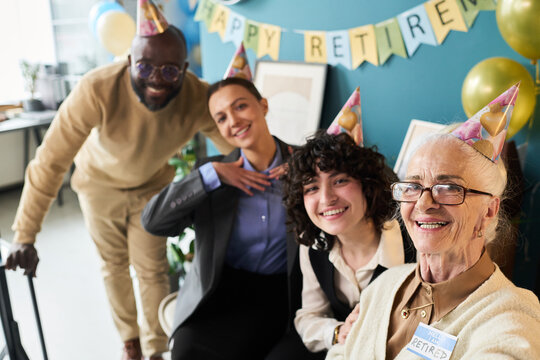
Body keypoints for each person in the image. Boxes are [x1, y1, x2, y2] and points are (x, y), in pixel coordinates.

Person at [4, 3, 233, 359]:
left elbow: (237, 145)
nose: (157, 79)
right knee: (113, 267)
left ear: (184, 70)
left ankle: (156, 349)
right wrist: (25, 235)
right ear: (129, 61)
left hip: (152, 188)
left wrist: (280, 173)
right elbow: (50, 160)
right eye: (144, 66)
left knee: (152, 270)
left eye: (170, 70)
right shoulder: (96, 88)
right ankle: (130, 342)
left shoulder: (196, 97)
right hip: (99, 188)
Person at [327, 86, 540, 359]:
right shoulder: (384, 285)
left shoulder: (511, 315)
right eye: (413, 186)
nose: (423, 204)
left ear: (488, 211)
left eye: (449, 187)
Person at [141, 76, 304, 360]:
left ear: (263, 106)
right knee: (188, 351)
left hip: (282, 296)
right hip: (219, 294)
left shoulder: (305, 164)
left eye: (240, 106)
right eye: (221, 118)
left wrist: (310, 177)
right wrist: (211, 176)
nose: (234, 121)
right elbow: (153, 222)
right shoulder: (210, 175)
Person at [281, 131, 416, 358]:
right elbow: (310, 315)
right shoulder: (314, 245)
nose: (326, 198)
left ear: (367, 185)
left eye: (340, 181)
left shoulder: (413, 239)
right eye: (312, 187)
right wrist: (338, 332)